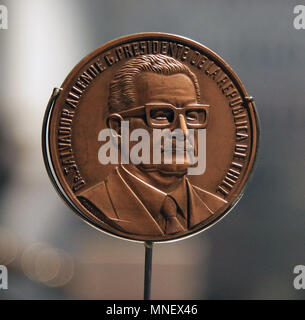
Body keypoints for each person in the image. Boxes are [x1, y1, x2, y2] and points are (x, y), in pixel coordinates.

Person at [78, 54, 226, 237]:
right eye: (161, 115)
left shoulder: (214, 206)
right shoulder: (95, 203)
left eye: (191, 115)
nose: (182, 131)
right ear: (118, 128)